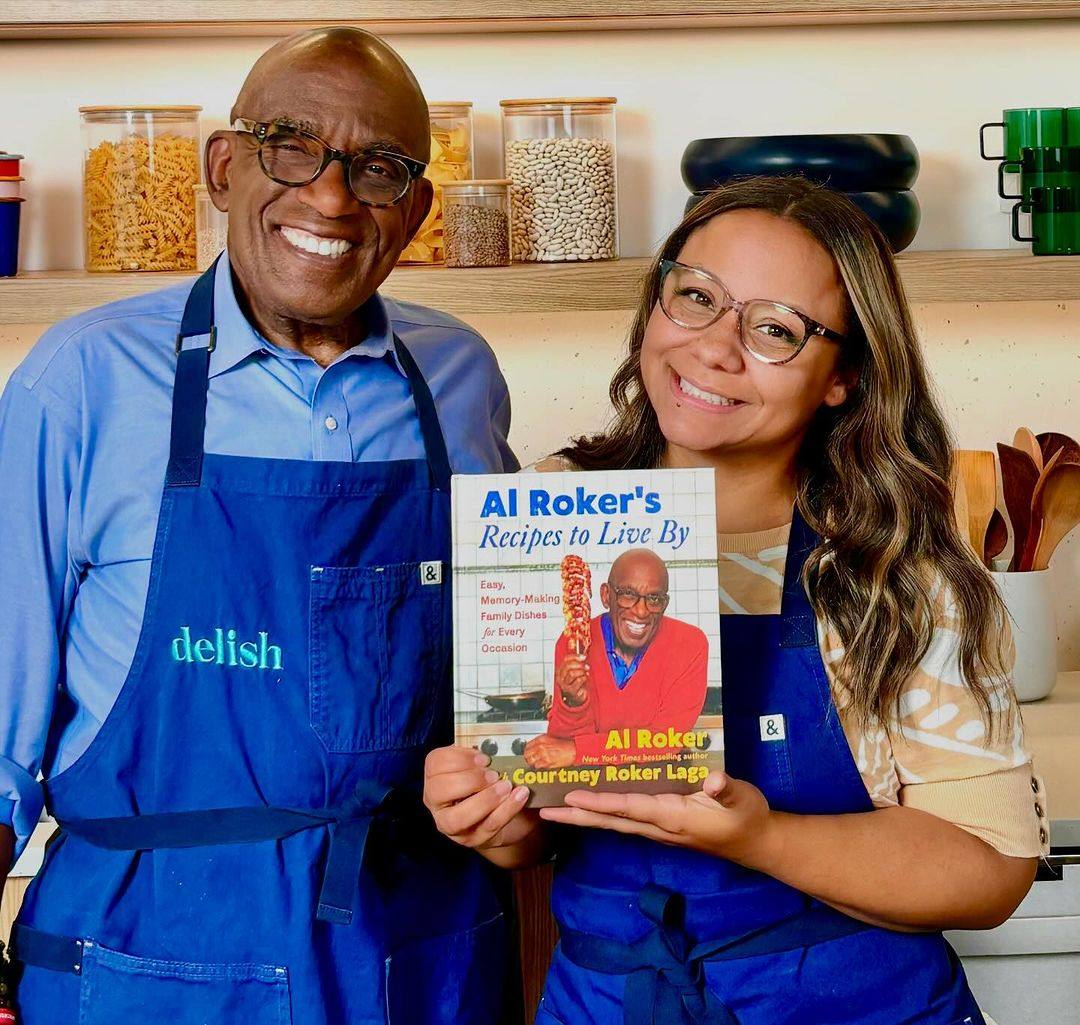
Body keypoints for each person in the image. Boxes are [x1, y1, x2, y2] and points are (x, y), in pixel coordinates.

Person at [424, 177, 1048, 1025]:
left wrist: (760, 837)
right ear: (655, 306)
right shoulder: (550, 515)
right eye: (696, 297)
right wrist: (491, 817)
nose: (717, 348)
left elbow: (988, 865)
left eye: (775, 330)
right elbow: (545, 817)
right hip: (612, 1001)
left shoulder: (890, 566)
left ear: (843, 377)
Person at [1, 28, 517, 1025]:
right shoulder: (82, 381)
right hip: (145, 951)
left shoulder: (460, 379)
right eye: (290, 144)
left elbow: (505, 672)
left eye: (377, 169)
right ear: (223, 167)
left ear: (415, 210)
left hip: (415, 948)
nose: (329, 197)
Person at [524, 549, 708, 769]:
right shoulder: (574, 643)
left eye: (654, 598)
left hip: (660, 786)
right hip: (588, 784)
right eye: (628, 594)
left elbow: (666, 740)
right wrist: (573, 702)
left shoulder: (690, 644)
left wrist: (578, 751)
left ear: (665, 603)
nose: (641, 611)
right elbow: (562, 747)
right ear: (606, 595)